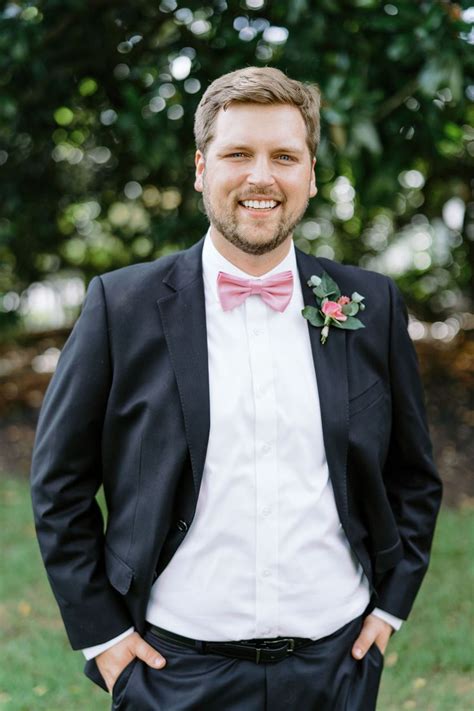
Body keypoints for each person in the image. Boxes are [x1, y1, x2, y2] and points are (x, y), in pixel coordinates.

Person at [30, 66, 442, 710]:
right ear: (201, 168)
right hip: (173, 671)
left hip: (337, 668)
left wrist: (389, 611)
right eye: (237, 154)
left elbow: (413, 474)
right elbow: (59, 484)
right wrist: (105, 640)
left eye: (284, 156)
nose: (261, 177)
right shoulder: (122, 305)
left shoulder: (369, 304)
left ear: (310, 174)